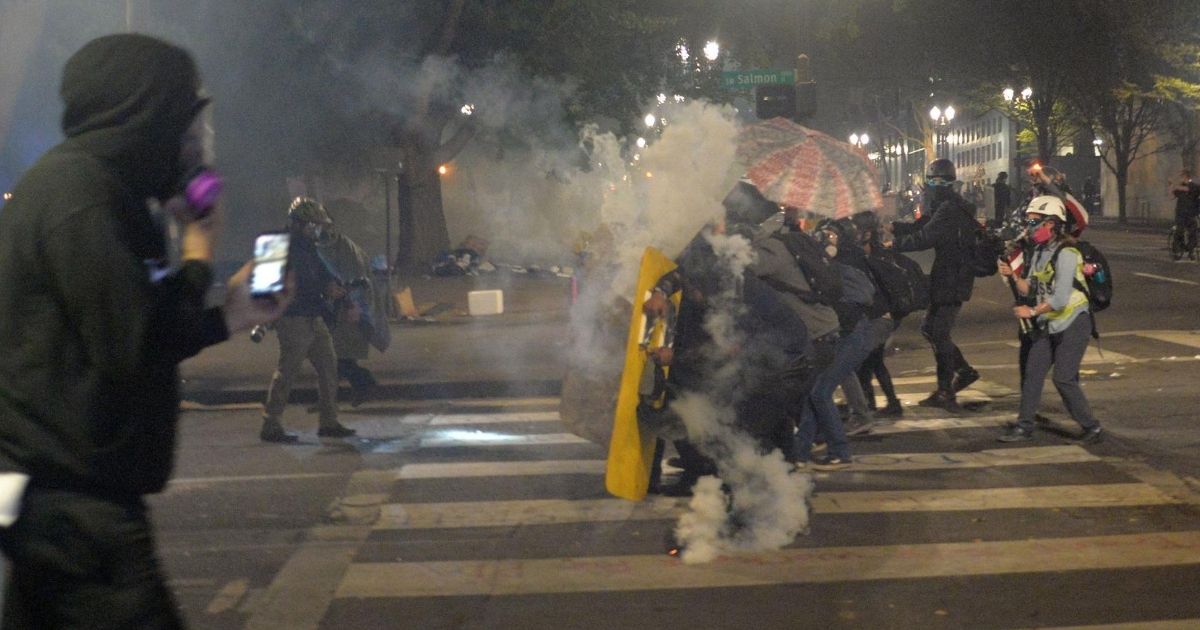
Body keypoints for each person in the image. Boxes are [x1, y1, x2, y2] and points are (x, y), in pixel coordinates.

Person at [0, 34, 290, 628]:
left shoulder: (99, 193)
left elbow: (138, 329)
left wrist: (227, 317)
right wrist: (197, 255)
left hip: (66, 505)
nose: (198, 144)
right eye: (188, 125)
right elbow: (132, 345)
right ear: (145, 119)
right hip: (76, 513)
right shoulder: (80, 199)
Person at [997, 196, 1103, 444]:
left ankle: (1092, 427)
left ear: (1052, 224)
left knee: (1063, 378)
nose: (1030, 227)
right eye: (1030, 221)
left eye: (1035, 222)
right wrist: (1012, 276)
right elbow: (1029, 289)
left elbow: (1060, 300)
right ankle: (1024, 426)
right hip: (1049, 322)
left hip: (1073, 322)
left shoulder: (1068, 253)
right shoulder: (1040, 252)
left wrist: (1032, 313)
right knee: (1033, 373)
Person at [260, 197, 357, 442]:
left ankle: (328, 422)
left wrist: (333, 288)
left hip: (313, 316)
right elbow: (264, 288)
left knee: (328, 368)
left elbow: (323, 276)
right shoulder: (275, 246)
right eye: (312, 225)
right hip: (292, 319)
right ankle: (271, 424)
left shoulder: (308, 248)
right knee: (287, 373)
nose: (316, 230)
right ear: (297, 223)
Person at [888, 158, 979, 413]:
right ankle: (964, 372)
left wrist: (892, 245)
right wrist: (894, 227)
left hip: (954, 276)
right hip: (949, 275)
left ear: (949, 182)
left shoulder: (950, 209)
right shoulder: (945, 206)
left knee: (937, 331)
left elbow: (925, 236)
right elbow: (922, 226)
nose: (934, 185)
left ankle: (945, 391)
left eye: (939, 181)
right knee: (931, 328)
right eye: (932, 180)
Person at [317, 222, 379, 406]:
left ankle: (363, 385)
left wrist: (354, 305)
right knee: (336, 358)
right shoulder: (343, 246)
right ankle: (330, 401)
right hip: (341, 310)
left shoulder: (343, 249)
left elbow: (353, 280)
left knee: (336, 358)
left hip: (345, 310)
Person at [1170, 169, 1200, 261]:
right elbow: (1171, 197)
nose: (1179, 178)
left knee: (1193, 232)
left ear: (1185, 176)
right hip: (1180, 213)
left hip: (1191, 213)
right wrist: (1171, 186)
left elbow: (1188, 189)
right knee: (1179, 231)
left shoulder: (1194, 186)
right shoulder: (1180, 187)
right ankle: (1177, 250)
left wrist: (1176, 186)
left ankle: (1190, 251)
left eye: (1181, 176)